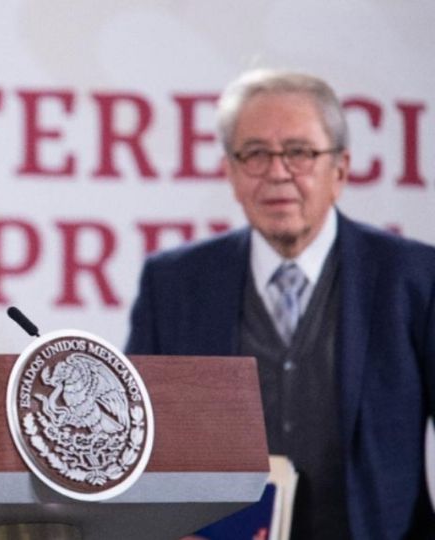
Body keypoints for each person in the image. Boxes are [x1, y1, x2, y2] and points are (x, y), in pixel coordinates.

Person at [126, 69, 435, 539]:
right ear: (230, 172)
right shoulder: (174, 284)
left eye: (299, 152)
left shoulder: (413, 278)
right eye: (254, 154)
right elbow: (136, 443)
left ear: (341, 170)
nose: (276, 172)